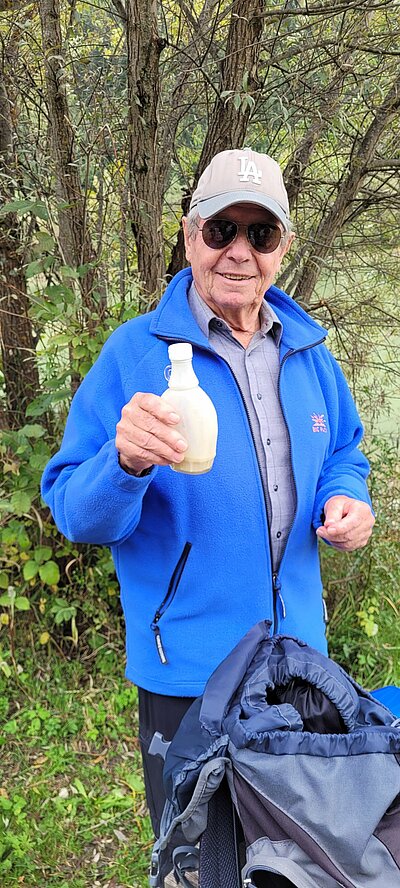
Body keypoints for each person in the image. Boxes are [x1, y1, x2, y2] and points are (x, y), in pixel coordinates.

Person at [41, 147, 375, 837]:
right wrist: (123, 463)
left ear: (282, 245)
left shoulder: (308, 351)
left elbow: (344, 448)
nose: (239, 252)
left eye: (261, 233)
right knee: (195, 864)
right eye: (222, 229)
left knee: (293, 860)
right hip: (189, 675)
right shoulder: (135, 355)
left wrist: (347, 498)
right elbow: (76, 512)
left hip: (299, 667)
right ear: (191, 234)